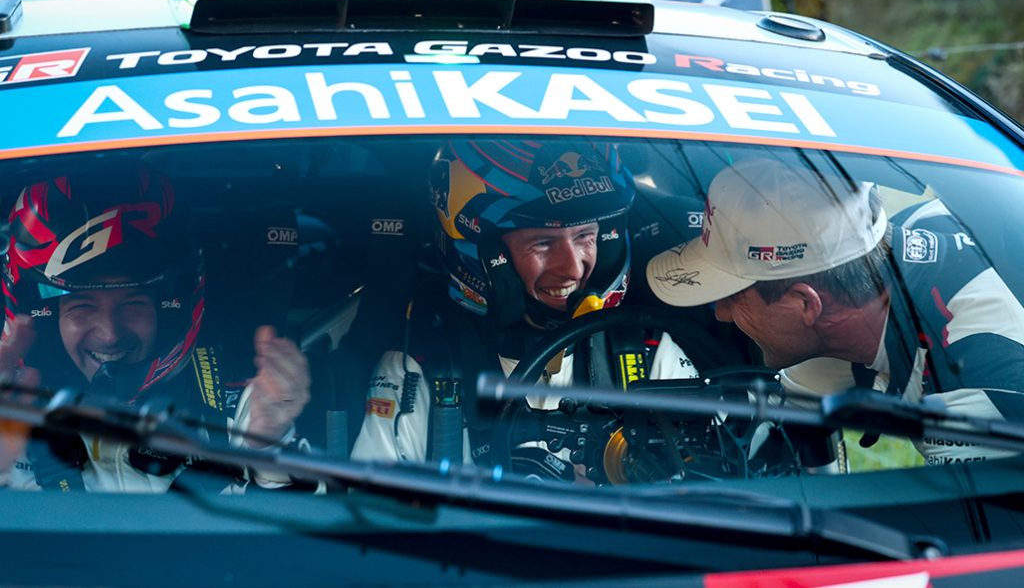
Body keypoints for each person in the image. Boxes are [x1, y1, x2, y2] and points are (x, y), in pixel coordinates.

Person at [646, 156, 1024, 465]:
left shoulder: (981, 376)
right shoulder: (908, 234)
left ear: (806, 304)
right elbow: (780, 409)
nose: (722, 313)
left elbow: (960, 530)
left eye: (733, 295)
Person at [351, 140, 698, 476]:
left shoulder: (646, 353)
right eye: (543, 243)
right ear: (488, 256)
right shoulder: (419, 369)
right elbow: (371, 507)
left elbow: (706, 482)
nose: (572, 268)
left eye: (584, 236)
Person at [0, 164, 312, 491]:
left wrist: (269, 446)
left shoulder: (238, 398)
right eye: (83, 305)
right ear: (46, 314)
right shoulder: (11, 407)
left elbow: (304, 520)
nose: (110, 333)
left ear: (168, 306)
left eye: (133, 302)